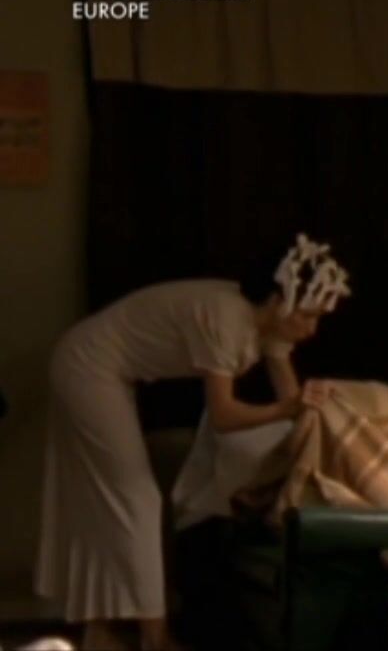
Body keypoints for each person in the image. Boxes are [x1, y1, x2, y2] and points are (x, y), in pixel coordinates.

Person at [35, 234, 351, 651]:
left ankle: (100, 629)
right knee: (138, 498)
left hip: (109, 371)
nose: (311, 329)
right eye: (307, 316)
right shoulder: (226, 319)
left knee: (112, 500)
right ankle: (155, 638)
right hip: (87, 366)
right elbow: (224, 416)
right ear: (279, 301)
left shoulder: (268, 325)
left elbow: (291, 397)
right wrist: (287, 409)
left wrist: (315, 422)